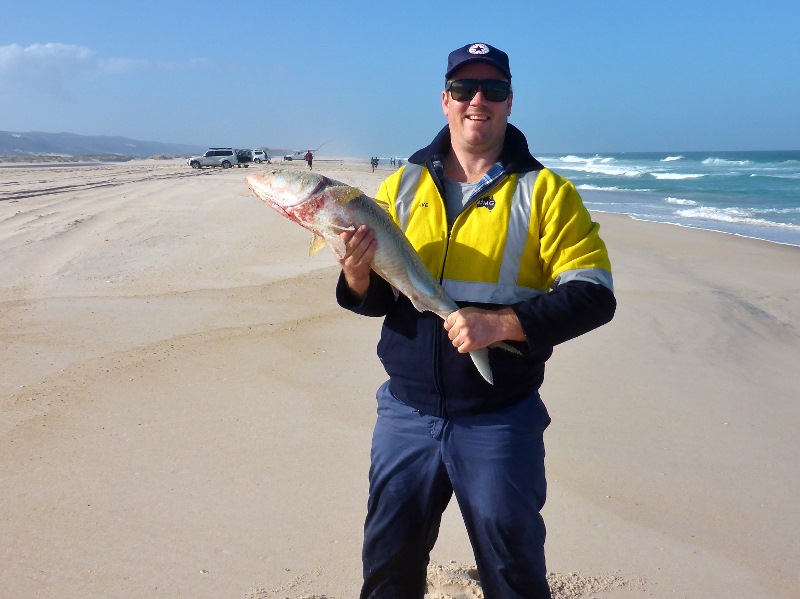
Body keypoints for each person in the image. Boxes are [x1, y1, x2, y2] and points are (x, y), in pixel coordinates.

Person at [335, 42, 616, 599]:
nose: (477, 101)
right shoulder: (402, 187)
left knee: (512, 570)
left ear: (510, 103)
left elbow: (595, 295)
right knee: (388, 560)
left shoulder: (546, 194)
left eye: (493, 90)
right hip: (406, 413)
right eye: (464, 89)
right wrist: (356, 274)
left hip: (499, 418)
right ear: (445, 100)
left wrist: (503, 323)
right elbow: (379, 299)